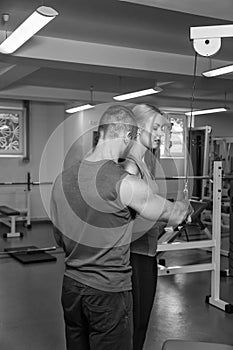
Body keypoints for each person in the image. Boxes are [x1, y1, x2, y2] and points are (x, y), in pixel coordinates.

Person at [50, 104, 190, 350]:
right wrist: (185, 205)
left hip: (72, 287)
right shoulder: (123, 183)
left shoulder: (62, 179)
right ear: (127, 135)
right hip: (108, 291)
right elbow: (173, 214)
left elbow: (60, 238)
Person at [120, 103, 172, 350]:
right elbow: (128, 218)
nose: (162, 133)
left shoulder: (144, 163)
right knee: (135, 324)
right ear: (139, 128)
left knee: (141, 324)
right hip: (136, 256)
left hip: (147, 253)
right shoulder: (131, 166)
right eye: (158, 127)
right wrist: (167, 214)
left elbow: (144, 208)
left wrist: (163, 216)